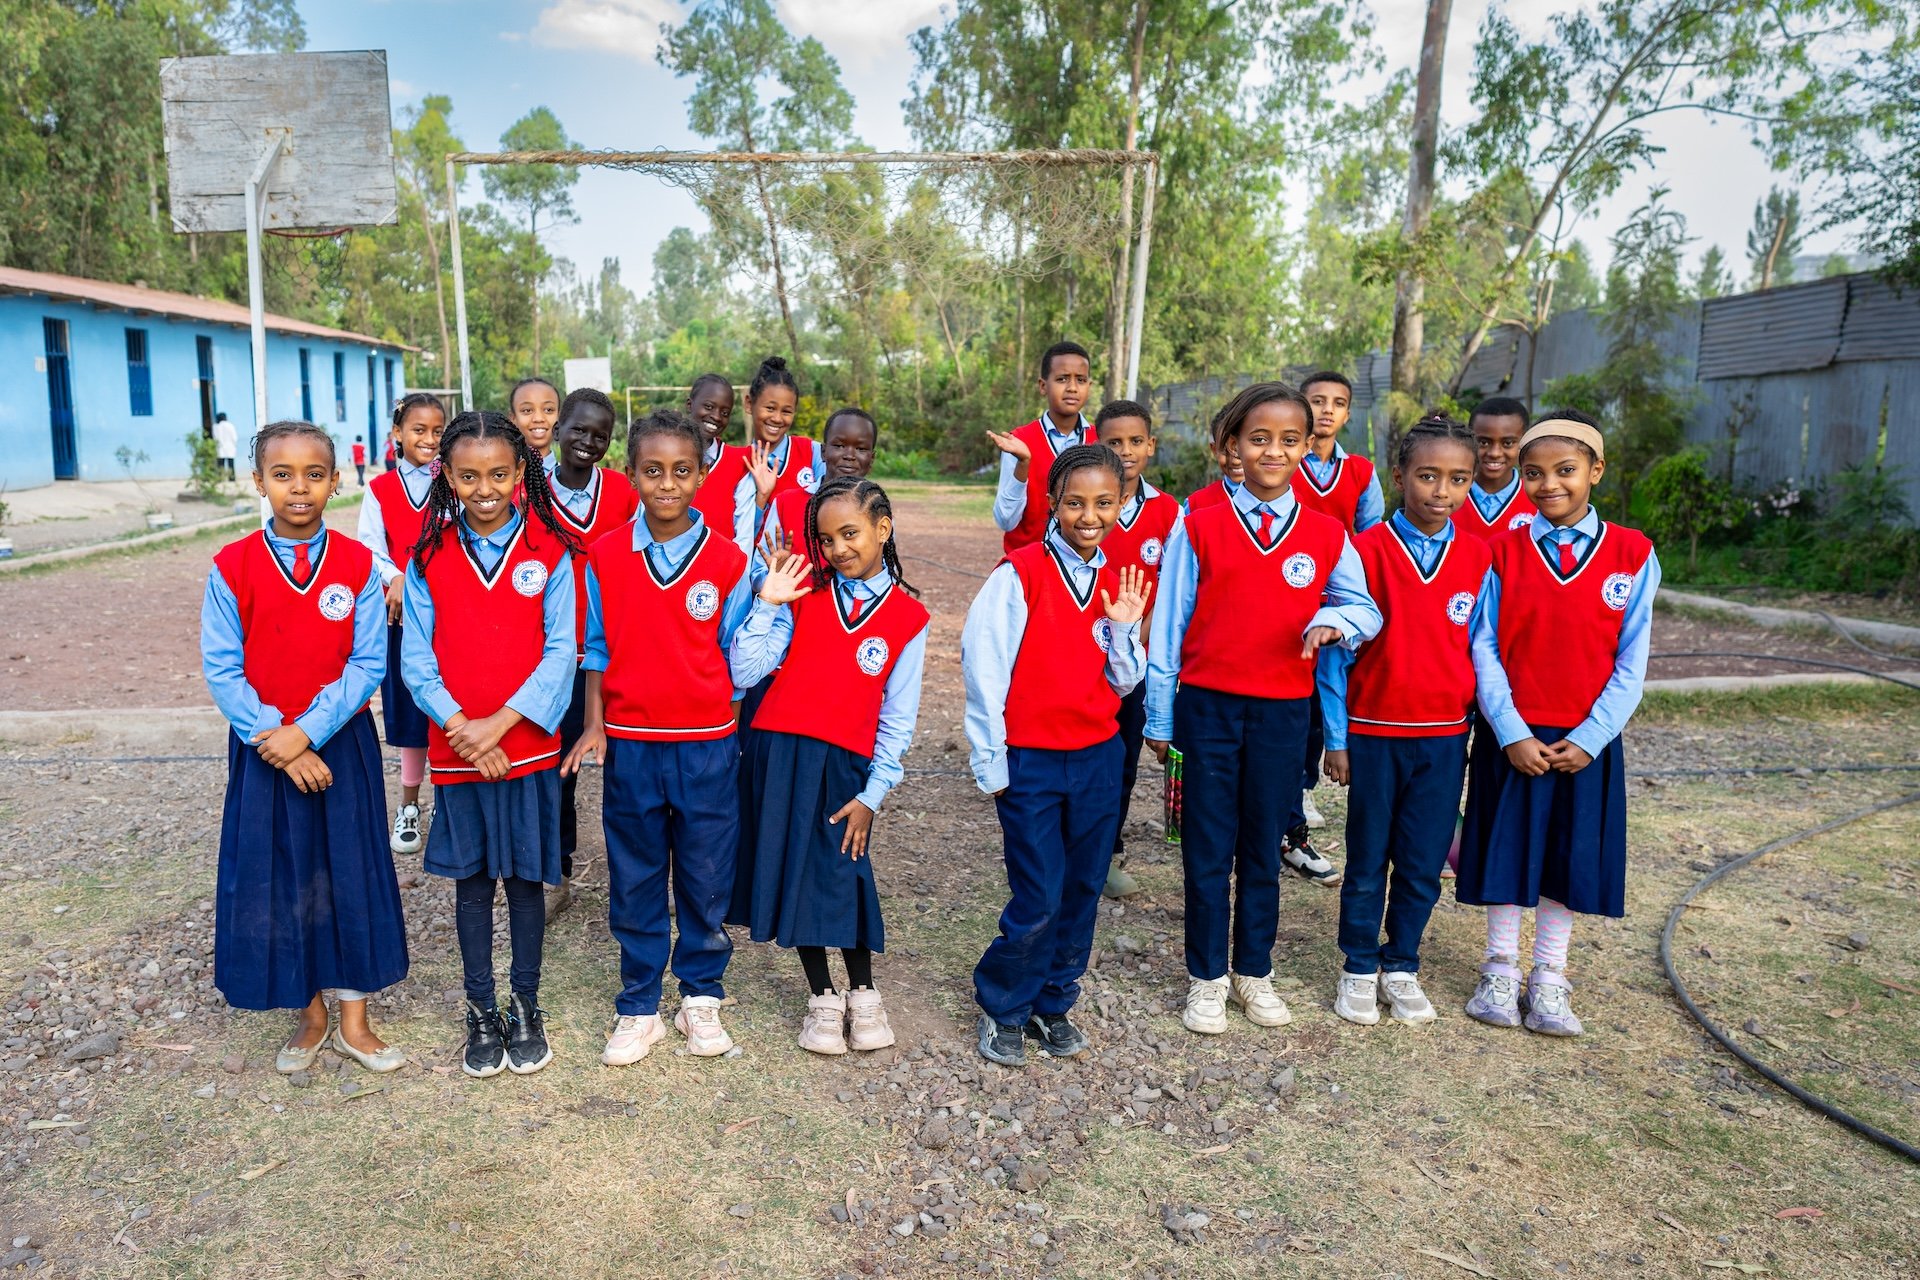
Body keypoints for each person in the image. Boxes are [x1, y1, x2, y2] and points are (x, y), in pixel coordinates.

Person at [1144, 382, 1381, 1036]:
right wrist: (1161, 719)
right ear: (1233, 447)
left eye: (1288, 440)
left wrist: (1332, 619)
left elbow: (1365, 607)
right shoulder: (1199, 523)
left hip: (1283, 716)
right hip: (1207, 711)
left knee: (1261, 846)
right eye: (1258, 438)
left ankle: (1254, 971)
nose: (1273, 451)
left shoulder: (1328, 534)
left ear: (1308, 448)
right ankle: (1206, 979)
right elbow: (1168, 626)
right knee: (1203, 847)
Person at [203, 420, 407, 1075]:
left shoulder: (356, 566)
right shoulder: (230, 568)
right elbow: (223, 669)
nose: (299, 488)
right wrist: (282, 744)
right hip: (263, 753)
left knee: (350, 873)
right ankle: (311, 1013)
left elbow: (368, 661)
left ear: (335, 480)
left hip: (341, 748)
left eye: (314, 474)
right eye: (283, 474)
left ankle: (354, 1018)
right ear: (257, 480)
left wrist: (308, 732)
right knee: (283, 877)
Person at [1458, 411, 1659, 1038]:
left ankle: (1548, 978)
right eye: (1534, 473)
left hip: (1583, 741)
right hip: (1513, 734)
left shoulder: (1634, 553)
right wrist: (1511, 729)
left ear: (1595, 471)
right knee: (1507, 851)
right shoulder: (1502, 551)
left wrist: (1593, 738)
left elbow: (1633, 658)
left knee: (1566, 859)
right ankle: (1498, 968)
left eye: (1565, 471)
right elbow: (1483, 646)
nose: (1549, 485)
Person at [562, 409, 753, 1067]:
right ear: (632, 474)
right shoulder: (607, 555)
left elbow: (735, 657)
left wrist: (714, 720)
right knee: (637, 873)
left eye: (681, 470)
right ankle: (639, 1003)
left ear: (702, 475)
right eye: (652, 470)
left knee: (705, 873)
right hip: (632, 744)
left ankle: (701, 995)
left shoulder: (729, 561)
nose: (666, 483)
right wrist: (594, 725)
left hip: (706, 746)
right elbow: (596, 649)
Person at [402, 411, 578, 1079]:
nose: (485, 488)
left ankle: (525, 1004)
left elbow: (560, 653)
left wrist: (497, 726)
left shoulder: (549, 553)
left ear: (520, 474)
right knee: (473, 885)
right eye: (469, 475)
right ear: (446, 475)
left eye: (499, 474)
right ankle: (480, 1009)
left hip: (525, 749)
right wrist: (462, 730)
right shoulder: (429, 556)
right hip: (457, 752)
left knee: (526, 883)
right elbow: (417, 661)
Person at [964, 444, 1151, 1067]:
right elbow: (984, 672)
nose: (1089, 515)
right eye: (1075, 502)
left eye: (1104, 502)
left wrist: (1125, 627)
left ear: (1121, 505)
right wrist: (991, 761)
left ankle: (1054, 1000)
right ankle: (1004, 1005)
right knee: (1039, 892)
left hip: (1097, 758)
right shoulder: (1019, 575)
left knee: (1083, 887)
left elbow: (1124, 683)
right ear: (1053, 503)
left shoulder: (1116, 582)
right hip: (1032, 764)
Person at [729, 477, 929, 1055]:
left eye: (851, 534)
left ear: (882, 529)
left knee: (844, 870)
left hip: (846, 763)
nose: (839, 549)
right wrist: (768, 601)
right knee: (794, 868)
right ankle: (822, 996)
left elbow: (897, 718)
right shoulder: (803, 595)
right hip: (777, 753)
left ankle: (864, 991)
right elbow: (744, 673)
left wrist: (874, 793)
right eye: (827, 539)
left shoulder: (907, 619)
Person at [1317, 417, 1489, 1027]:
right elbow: (1333, 661)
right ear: (1399, 476)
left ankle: (1402, 964)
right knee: (1367, 859)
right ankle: (1359, 966)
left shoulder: (1478, 556)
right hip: (1371, 733)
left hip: (1444, 738)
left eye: (1458, 479)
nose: (1442, 492)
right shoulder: (1364, 553)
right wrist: (1336, 738)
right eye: (1428, 476)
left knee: (1421, 862)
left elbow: (1483, 648)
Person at [544, 388, 639, 920]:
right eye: (578, 429)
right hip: (552, 656)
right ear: (558, 430)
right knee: (558, 766)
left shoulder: (624, 493)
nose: (588, 440)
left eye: (600, 434)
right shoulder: (529, 492)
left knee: (626, 769)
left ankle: (636, 875)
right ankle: (555, 871)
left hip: (615, 651)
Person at [1089, 399, 1182, 901]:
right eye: (1112, 442)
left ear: (1150, 445)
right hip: (1080, 660)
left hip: (1136, 659)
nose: (1124, 451)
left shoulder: (1170, 511)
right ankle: (1069, 845)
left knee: (1123, 760)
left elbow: (1173, 589)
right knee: (1082, 755)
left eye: (1134, 441)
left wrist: (1137, 634)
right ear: (1094, 443)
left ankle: (1105, 853)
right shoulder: (1077, 501)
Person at [1290, 371, 1384, 835]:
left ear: (1348, 413)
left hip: (1341, 604)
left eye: (1338, 402)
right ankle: (1291, 789)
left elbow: (1370, 536)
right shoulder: (1284, 460)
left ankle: (1307, 785)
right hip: (1291, 596)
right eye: (1317, 401)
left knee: (1328, 690)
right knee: (1295, 695)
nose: (1327, 409)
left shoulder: (1362, 472)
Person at [357, 392, 447, 858]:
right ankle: (409, 805)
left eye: (437, 431)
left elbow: (458, 541)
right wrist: (395, 577)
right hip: (401, 619)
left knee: (449, 706)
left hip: (450, 615)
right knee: (411, 713)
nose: (428, 439)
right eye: (418, 430)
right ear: (397, 434)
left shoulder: (453, 482)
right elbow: (370, 548)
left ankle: (449, 803)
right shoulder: (379, 489)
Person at [986, 341, 1097, 554]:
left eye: (1080, 380)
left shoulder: (1100, 440)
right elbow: (1006, 520)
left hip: (1083, 569)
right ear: (1043, 386)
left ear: (1088, 387)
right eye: (1062, 379)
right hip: (1029, 567)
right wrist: (1023, 464)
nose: (1072, 387)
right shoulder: (1019, 442)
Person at [733, 357, 818, 554]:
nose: (777, 418)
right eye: (770, 408)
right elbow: (740, 532)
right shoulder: (738, 461)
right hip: (758, 571)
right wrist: (761, 499)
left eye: (787, 411)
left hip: (806, 568)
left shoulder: (811, 452)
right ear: (749, 404)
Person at [1453, 397, 1537, 542]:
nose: (1494, 453)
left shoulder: (1539, 498)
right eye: (1484, 442)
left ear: (1524, 443)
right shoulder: (1447, 495)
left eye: (1508, 443)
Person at [688, 373, 747, 538]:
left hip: (724, 561)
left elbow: (743, 531)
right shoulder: (667, 455)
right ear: (689, 405)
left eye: (725, 412)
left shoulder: (738, 462)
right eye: (708, 406)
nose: (716, 416)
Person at [1183, 442, 1243, 515]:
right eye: (1225, 450)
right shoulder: (1195, 505)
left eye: (1244, 447)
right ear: (1214, 450)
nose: (1235, 461)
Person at [509, 377, 561, 459]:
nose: (538, 418)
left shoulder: (571, 471)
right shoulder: (504, 471)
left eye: (548, 410)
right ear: (513, 418)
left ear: (559, 416)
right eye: (527, 410)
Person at [212, 411, 237, 481]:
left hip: (220, 447)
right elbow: (234, 437)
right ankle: (232, 478)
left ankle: (220, 478)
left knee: (220, 464)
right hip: (230, 447)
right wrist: (234, 444)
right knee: (231, 464)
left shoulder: (216, 427)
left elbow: (215, 438)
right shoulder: (230, 425)